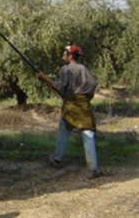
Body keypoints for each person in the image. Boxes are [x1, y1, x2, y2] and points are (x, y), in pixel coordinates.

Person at [36, 44, 102, 179]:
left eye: (64, 54)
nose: (62, 57)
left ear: (70, 56)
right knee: (87, 134)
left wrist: (44, 78)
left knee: (63, 132)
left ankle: (57, 159)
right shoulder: (84, 69)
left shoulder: (65, 70)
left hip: (70, 106)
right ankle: (93, 169)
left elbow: (58, 86)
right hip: (83, 106)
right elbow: (93, 84)